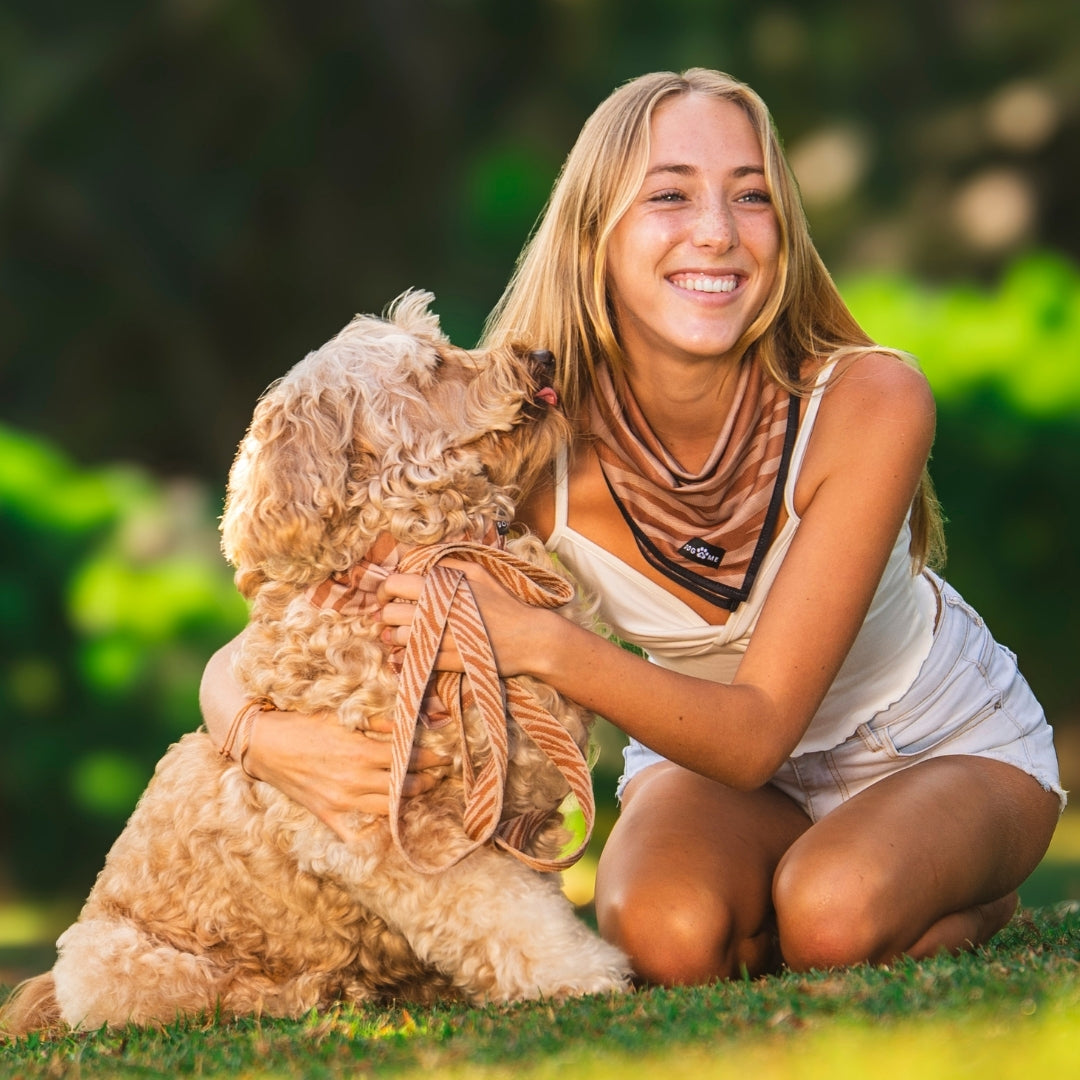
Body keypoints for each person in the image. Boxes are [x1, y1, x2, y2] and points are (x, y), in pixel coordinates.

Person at [201, 68, 1065, 985]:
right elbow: (302, 606)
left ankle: (946, 884)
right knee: (663, 942)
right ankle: (817, 878)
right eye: (669, 195)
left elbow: (758, 729)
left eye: (751, 196)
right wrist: (248, 726)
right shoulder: (532, 442)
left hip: (931, 742)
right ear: (594, 235)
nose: (718, 232)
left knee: (831, 921)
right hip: (712, 764)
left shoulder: (870, 399)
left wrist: (536, 642)